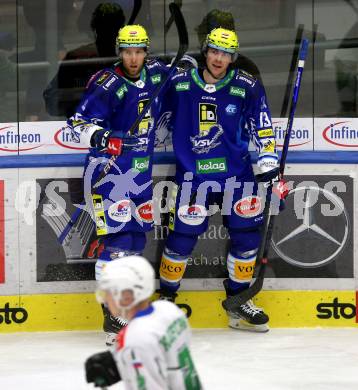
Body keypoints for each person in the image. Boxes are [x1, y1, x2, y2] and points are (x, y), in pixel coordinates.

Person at [158, 27, 286, 333]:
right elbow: (156, 120)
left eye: (225, 53)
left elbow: (263, 126)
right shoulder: (178, 83)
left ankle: (238, 303)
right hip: (193, 177)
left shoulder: (247, 85)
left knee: (247, 238)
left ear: (233, 57)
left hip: (237, 176)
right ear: (206, 51)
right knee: (180, 240)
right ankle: (165, 300)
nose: (219, 58)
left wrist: (268, 163)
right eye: (214, 51)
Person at [67, 24, 169, 345]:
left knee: (136, 243)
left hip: (139, 174)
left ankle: (124, 310)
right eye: (127, 51)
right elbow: (77, 124)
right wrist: (102, 137)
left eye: (139, 51)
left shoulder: (155, 74)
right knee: (117, 244)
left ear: (146, 52)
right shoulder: (107, 83)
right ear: (119, 51)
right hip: (108, 175)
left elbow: (185, 78)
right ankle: (114, 317)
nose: (133, 57)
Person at [85, 255, 203, 389]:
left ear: (126, 296)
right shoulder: (169, 311)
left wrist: (130, 356)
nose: (105, 299)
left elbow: (142, 344)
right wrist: (118, 360)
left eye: (108, 292)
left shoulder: (135, 339)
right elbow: (162, 350)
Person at [43, 2, 126, 118]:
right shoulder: (77, 58)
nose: (108, 32)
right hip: (83, 126)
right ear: (95, 28)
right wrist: (85, 99)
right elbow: (52, 99)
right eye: (104, 27)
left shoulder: (129, 62)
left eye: (112, 27)